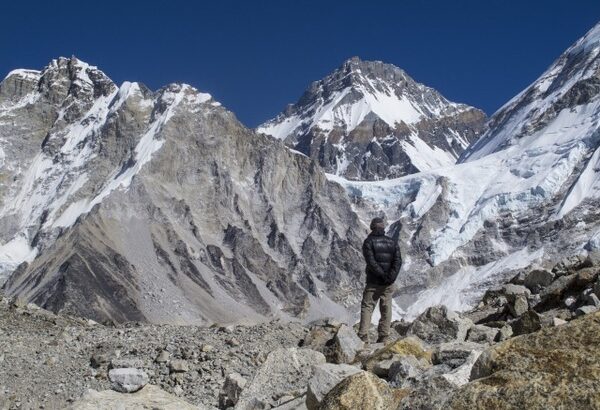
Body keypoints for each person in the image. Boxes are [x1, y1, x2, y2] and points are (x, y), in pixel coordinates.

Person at [357, 217, 401, 344]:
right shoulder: (392, 242)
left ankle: (363, 335)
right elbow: (398, 261)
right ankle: (384, 336)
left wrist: (381, 275)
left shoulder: (368, 242)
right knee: (386, 307)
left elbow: (371, 262)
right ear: (383, 228)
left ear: (372, 227)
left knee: (367, 306)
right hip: (388, 283)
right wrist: (390, 276)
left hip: (373, 281)